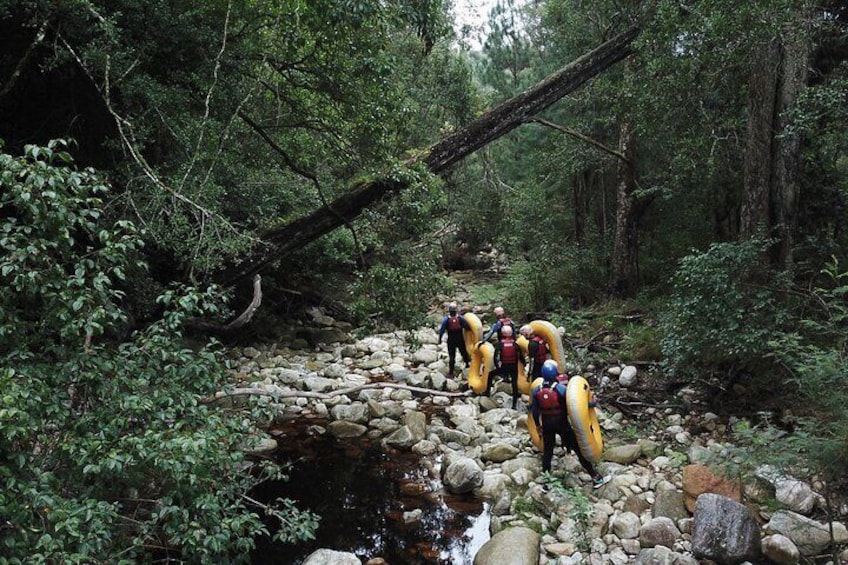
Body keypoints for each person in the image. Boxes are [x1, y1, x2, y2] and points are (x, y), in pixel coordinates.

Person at [530, 360, 609, 488]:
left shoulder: (537, 390)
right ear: (555, 373)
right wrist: (591, 405)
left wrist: (538, 426)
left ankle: (546, 483)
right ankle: (595, 477)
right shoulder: (561, 389)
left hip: (547, 424)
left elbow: (534, 411)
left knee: (548, 453)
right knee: (578, 449)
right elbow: (573, 406)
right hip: (561, 423)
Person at [492, 324, 525, 409]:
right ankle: (514, 404)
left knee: (490, 375)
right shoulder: (515, 344)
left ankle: (487, 392)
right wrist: (524, 364)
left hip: (504, 367)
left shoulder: (500, 344)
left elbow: (495, 357)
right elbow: (520, 356)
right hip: (513, 367)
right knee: (514, 384)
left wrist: (498, 367)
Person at [438, 302, 470, 379]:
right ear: (456, 310)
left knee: (452, 356)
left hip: (451, 339)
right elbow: (467, 327)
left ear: (449, 310)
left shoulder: (446, 319)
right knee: (464, 352)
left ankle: (451, 373)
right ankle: (468, 365)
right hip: (460, 338)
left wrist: (439, 339)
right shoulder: (460, 318)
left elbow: (442, 330)